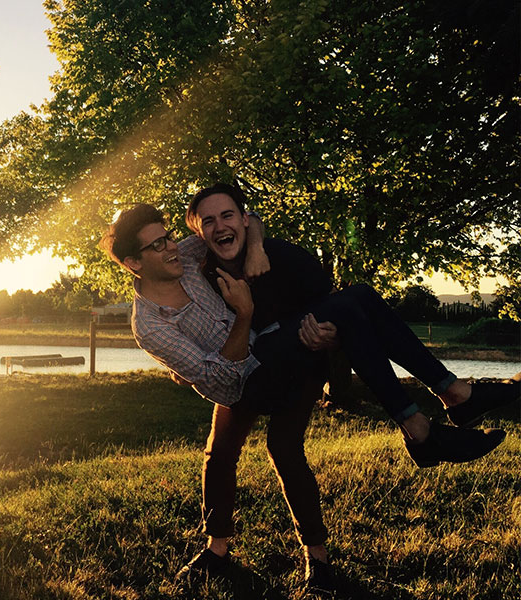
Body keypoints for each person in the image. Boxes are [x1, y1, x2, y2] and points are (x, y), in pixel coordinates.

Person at [100, 198, 518, 591]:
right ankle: (434, 413)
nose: (172, 246)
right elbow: (220, 383)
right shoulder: (149, 325)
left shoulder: (186, 258)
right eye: (158, 245)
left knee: (288, 439)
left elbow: (246, 221)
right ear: (134, 263)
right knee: (222, 451)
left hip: (275, 350)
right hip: (239, 380)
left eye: (169, 236)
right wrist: (243, 313)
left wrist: (257, 248)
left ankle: (317, 559)